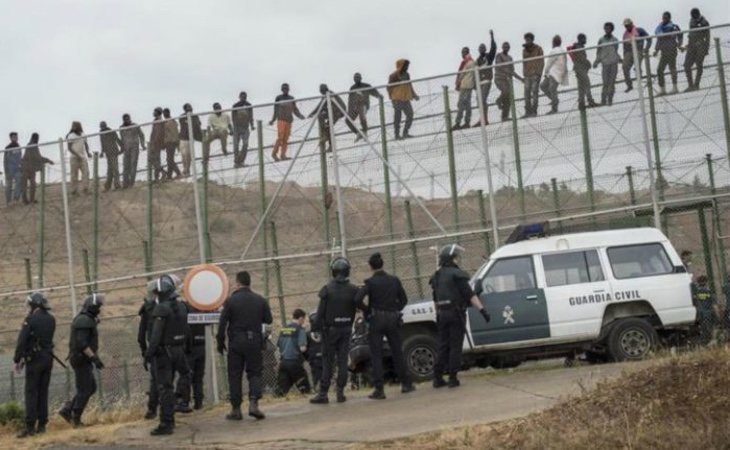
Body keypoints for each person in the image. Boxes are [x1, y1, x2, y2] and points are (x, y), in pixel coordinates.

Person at [354, 252, 414, 400]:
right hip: (393, 318)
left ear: (370, 267)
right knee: (397, 351)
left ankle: (379, 389)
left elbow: (357, 299)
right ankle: (406, 384)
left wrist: (368, 311)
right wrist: (395, 309)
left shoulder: (370, 283)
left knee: (376, 354)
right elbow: (404, 300)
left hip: (376, 319)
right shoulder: (394, 280)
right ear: (383, 264)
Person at [430, 245, 490, 388]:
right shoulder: (458, 275)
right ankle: (452, 378)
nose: (458, 260)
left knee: (443, 346)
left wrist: (438, 313)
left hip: (442, 314)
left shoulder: (436, 276)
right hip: (456, 314)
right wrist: (482, 311)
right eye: (456, 257)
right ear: (452, 259)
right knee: (455, 346)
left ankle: (437, 377)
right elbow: (470, 295)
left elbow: (435, 299)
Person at [217, 271, 272, 421]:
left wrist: (220, 342)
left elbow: (222, 324)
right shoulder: (259, 300)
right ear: (249, 283)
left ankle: (236, 409)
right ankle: (254, 403)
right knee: (254, 372)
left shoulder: (230, 301)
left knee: (235, 374)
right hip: (254, 340)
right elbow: (268, 319)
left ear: (237, 283)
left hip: (236, 341)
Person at [310, 257, 361, 404]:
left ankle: (323, 394)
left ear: (333, 272)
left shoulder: (327, 289)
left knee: (327, 361)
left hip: (330, 331)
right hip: (346, 329)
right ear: (347, 271)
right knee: (342, 360)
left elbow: (320, 312)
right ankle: (340, 393)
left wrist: (315, 328)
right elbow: (359, 304)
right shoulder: (353, 289)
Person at [145, 275, 190, 436]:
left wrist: (148, 354)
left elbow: (156, 335)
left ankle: (166, 423)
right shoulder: (182, 307)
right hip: (179, 349)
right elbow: (187, 331)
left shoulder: (162, 309)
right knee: (184, 375)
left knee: (164, 388)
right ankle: (180, 401)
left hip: (164, 352)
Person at [59, 293, 105, 428]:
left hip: (83, 359)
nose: (99, 309)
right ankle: (75, 417)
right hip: (80, 359)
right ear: (92, 307)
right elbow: (81, 343)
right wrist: (94, 358)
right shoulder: (83, 320)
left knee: (90, 387)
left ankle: (68, 410)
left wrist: (93, 358)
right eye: (98, 306)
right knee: (85, 389)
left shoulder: (87, 319)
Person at [13, 293, 55, 438]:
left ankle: (30, 427)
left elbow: (22, 341)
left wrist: (17, 359)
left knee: (31, 393)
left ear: (33, 305)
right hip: (48, 358)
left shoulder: (30, 320)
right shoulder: (51, 319)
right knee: (43, 392)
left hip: (35, 360)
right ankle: (42, 425)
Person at [176, 300, 205, 412]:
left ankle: (184, 401)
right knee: (198, 377)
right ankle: (198, 402)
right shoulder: (203, 310)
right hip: (202, 346)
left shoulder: (186, 312)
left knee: (187, 374)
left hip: (190, 348)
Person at [275, 309, 311, 397]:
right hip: (295, 363)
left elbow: (279, 345)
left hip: (283, 363)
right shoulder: (300, 330)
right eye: (304, 319)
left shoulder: (283, 329)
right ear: (301, 318)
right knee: (306, 390)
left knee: (281, 392)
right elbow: (302, 348)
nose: (304, 322)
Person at [138, 281, 159, 420]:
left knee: (156, 380)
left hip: (153, 348)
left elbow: (141, 335)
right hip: (170, 346)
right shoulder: (172, 306)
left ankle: (152, 409)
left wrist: (145, 352)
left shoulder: (146, 308)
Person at [269, 83, 305, 161]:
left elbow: (295, 109)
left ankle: (283, 155)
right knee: (280, 137)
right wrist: (273, 120)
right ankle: (274, 154)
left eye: (286, 89)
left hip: (289, 120)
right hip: (281, 120)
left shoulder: (291, 98)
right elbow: (275, 110)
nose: (285, 90)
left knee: (286, 138)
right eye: (284, 89)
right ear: (282, 90)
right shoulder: (278, 98)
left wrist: (300, 116)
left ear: (288, 89)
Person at [387, 59, 419, 140]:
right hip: (397, 99)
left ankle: (405, 132)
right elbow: (389, 87)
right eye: (405, 65)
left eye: (407, 66)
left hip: (405, 98)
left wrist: (414, 95)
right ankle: (397, 135)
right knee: (398, 117)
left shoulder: (407, 75)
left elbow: (409, 85)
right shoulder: (393, 75)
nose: (407, 67)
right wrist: (392, 98)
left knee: (410, 114)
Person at [309, 84, 347, 152]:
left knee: (328, 126)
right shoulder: (326, 95)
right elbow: (321, 106)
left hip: (338, 111)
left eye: (322, 91)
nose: (322, 92)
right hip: (332, 111)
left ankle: (329, 142)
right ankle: (324, 134)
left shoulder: (329, 94)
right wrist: (313, 113)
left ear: (325, 89)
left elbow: (320, 106)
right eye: (321, 91)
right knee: (321, 116)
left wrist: (312, 113)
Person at [346, 73, 383, 141]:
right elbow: (350, 100)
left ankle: (365, 132)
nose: (356, 79)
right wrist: (349, 110)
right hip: (355, 107)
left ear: (361, 78)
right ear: (353, 79)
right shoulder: (352, 88)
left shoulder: (366, 85)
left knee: (362, 115)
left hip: (364, 105)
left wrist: (379, 95)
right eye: (355, 78)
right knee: (348, 120)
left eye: (358, 77)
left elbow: (374, 92)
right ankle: (358, 133)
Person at [654, 11, 683, 96]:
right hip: (663, 51)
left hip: (672, 50)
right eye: (663, 17)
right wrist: (656, 50)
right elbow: (659, 40)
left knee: (672, 69)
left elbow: (680, 35)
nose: (664, 19)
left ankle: (675, 87)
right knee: (659, 70)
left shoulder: (674, 27)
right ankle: (662, 89)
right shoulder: (660, 28)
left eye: (666, 17)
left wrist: (679, 44)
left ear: (669, 18)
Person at [568, 34, 598, 110]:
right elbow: (581, 58)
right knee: (587, 84)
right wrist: (588, 63)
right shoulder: (579, 47)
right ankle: (590, 101)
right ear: (581, 39)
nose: (585, 40)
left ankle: (581, 104)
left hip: (578, 69)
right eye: (584, 39)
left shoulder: (578, 46)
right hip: (580, 69)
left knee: (581, 87)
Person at [21, 133, 53, 204]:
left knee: (32, 184)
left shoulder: (32, 146)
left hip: (30, 168)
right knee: (25, 185)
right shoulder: (31, 146)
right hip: (26, 168)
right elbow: (38, 157)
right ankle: (25, 200)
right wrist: (48, 160)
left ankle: (30, 200)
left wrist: (47, 160)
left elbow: (37, 158)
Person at [621, 18, 652, 93]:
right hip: (629, 52)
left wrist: (646, 48)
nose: (627, 27)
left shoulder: (639, 30)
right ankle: (629, 85)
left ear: (632, 24)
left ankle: (640, 82)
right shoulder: (625, 35)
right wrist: (624, 56)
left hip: (638, 50)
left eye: (628, 25)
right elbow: (624, 46)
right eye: (625, 26)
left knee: (637, 66)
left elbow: (649, 38)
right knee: (625, 67)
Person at [594, 22, 621, 106]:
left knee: (612, 82)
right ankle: (603, 100)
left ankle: (610, 99)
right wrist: (596, 61)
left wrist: (619, 59)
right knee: (605, 83)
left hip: (613, 63)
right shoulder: (601, 40)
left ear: (611, 29)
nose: (607, 30)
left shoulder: (615, 40)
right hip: (605, 64)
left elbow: (616, 50)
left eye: (609, 28)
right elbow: (599, 52)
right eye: (606, 28)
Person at [494, 42, 522, 121]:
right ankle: (498, 100)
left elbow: (512, 71)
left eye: (507, 47)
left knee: (508, 98)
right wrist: (508, 71)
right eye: (505, 46)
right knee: (506, 91)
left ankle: (504, 116)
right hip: (499, 78)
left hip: (507, 80)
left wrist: (521, 79)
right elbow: (500, 67)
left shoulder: (510, 58)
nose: (506, 48)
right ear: (502, 47)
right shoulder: (499, 56)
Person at [540, 35, 568, 115]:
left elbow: (549, 63)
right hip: (556, 73)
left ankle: (554, 108)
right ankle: (554, 100)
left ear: (553, 42)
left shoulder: (554, 51)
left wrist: (545, 72)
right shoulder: (562, 50)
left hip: (554, 73)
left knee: (551, 89)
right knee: (544, 86)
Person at [685, 8, 711, 91]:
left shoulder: (704, 22)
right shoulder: (691, 21)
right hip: (691, 44)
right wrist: (688, 44)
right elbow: (691, 33)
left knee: (699, 64)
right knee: (687, 65)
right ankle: (690, 85)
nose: (694, 17)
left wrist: (706, 48)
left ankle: (696, 84)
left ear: (698, 14)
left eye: (695, 15)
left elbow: (707, 36)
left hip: (701, 44)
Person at [475, 30, 497, 126]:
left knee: (482, 99)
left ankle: (484, 119)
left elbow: (493, 48)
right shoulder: (477, 60)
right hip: (480, 83)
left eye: (483, 48)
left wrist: (492, 37)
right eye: (480, 48)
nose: (482, 49)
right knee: (479, 101)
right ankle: (483, 119)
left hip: (487, 81)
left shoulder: (489, 57)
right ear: (478, 50)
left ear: (485, 49)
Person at [452, 46, 476, 130]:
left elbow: (462, 73)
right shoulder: (471, 62)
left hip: (465, 85)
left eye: (463, 52)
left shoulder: (468, 62)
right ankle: (466, 122)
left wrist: (458, 83)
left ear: (466, 52)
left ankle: (458, 122)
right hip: (468, 85)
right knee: (467, 104)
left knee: (461, 104)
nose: (462, 54)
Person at [120, 113, 146, 188]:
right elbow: (122, 139)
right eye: (125, 119)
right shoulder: (121, 128)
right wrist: (122, 148)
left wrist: (143, 144)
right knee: (125, 166)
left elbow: (141, 135)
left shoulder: (135, 125)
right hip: (126, 148)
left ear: (130, 118)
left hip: (134, 148)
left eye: (127, 118)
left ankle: (131, 183)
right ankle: (125, 183)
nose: (126, 120)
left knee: (133, 165)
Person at [522, 33, 544, 118]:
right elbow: (524, 62)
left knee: (535, 92)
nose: (527, 41)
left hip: (535, 74)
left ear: (532, 39)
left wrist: (539, 73)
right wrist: (524, 73)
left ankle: (534, 111)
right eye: (526, 40)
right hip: (527, 75)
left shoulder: (538, 49)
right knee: (526, 92)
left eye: (528, 39)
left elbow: (541, 61)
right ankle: (528, 111)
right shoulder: (524, 50)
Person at [66, 122, 91, 196]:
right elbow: (69, 148)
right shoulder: (70, 135)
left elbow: (86, 144)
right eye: (73, 126)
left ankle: (85, 189)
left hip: (82, 157)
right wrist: (77, 154)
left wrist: (88, 152)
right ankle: (74, 191)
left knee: (86, 173)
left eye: (75, 126)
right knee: (74, 174)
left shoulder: (83, 134)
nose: (74, 127)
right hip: (74, 157)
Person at [178, 104, 202, 177]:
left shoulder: (195, 116)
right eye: (188, 107)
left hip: (189, 139)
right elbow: (184, 124)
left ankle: (187, 170)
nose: (190, 108)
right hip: (182, 138)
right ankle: (185, 169)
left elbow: (198, 124)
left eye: (191, 107)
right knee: (183, 155)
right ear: (185, 109)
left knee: (188, 156)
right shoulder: (182, 116)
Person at [232, 92, 255, 167]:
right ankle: (236, 162)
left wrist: (252, 125)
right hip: (237, 128)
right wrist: (235, 126)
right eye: (242, 97)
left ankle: (241, 161)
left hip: (245, 127)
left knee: (245, 144)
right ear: (239, 97)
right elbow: (233, 117)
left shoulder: (249, 105)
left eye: (244, 97)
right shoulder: (235, 106)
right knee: (236, 145)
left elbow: (251, 116)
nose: (243, 98)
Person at [98, 122, 122, 191]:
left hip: (113, 151)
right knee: (110, 170)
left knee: (115, 169)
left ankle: (117, 185)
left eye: (103, 127)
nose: (102, 128)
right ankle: (108, 186)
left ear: (106, 126)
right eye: (101, 127)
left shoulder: (111, 132)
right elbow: (102, 143)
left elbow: (117, 139)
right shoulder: (101, 133)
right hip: (108, 153)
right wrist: (102, 152)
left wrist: (122, 148)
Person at [693, 275, 716, 343]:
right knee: (710, 326)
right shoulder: (708, 291)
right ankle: (711, 338)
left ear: (698, 282)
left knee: (702, 327)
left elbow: (695, 302)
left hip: (699, 312)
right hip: (708, 312)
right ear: (706, 282)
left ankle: (704, 339)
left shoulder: (696, 292)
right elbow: (714, 303)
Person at [306, 311, 324, 392]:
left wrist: (308, 357)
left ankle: (316, 386)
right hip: (324, 355)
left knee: (315, 374)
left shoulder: (307, 334)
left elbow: (305, 348)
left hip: (313, 357)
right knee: (326, 372)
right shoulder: (325, 332)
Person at [4, 132, 23, 206]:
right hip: (10, 170)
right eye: (14, 137)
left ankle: (16, 198)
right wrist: (6, 171)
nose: (16, 138)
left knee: (19, 182)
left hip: (17, 169)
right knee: (9, 185)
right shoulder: (8, 147)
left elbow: (20, 158)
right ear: (11, 138)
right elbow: (5, 160)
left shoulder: (19, 146)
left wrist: (21, 166)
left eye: (16, 137)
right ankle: (8, 201)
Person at [162, 108, 181, 180]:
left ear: (168, 113)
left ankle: (177, 173)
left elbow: (172, 133)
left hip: (171, 142)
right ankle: (169, 175)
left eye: (165, 113)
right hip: (171, 142)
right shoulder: (172, 121)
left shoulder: (169, 122)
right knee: (169, 159)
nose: (164, 115)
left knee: (169, 159)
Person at [149, 108, 166, 182]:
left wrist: (154, 143)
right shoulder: (156, 120)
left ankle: (162, 173)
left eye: (154, 111)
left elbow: (158, 133)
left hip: (156, 143)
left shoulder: (159, 121)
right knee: (155, 160)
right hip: (154, 143)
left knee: (153, 159)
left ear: (158, 112)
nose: (153, 112)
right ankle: (157, 177)